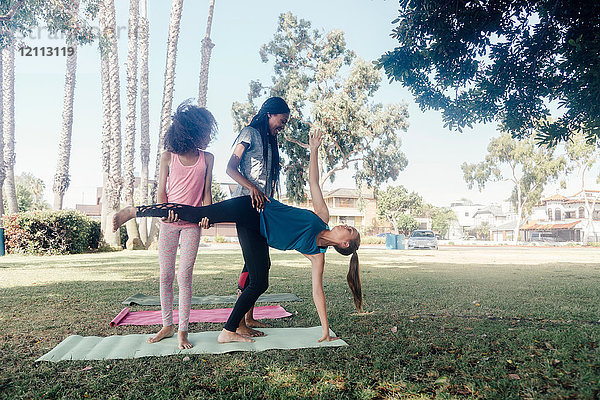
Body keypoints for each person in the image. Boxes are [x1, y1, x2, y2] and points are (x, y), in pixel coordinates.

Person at [113, 130, 362, 344]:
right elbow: (314, 181)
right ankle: (134, 211)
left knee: (260, 278)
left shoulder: (317, 254)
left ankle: (229, 330)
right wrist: (315, 150)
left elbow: (318, 292)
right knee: (196, 213)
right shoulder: (322, 216)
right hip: (252, 207)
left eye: (348, 230)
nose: (344, 225)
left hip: (257, 232)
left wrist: (325, 331)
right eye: (348, 226)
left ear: (344, 244)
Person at [146, 100, 217, 349]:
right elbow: (161, 193)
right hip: (168, 225)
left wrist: (208, 215)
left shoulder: (207, 158)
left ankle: (183, 330)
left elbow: (206, 194)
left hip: (192, 226)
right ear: (191, 132)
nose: (209, 137)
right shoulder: (168, 157)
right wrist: (164, 215)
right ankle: (167, 325)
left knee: (184, 276)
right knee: (166, 275)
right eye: (205, 132)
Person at [226, 97, 289, 338]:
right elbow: (231, 168)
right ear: (269, 114)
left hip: (262, 209)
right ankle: (238, 323)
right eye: (281, 121)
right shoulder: (249, 133)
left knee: (255, 266)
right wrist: (251, 187)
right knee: (257, 268)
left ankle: (248, 317)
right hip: (245, 205)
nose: (282, 126)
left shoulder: (271, 142)